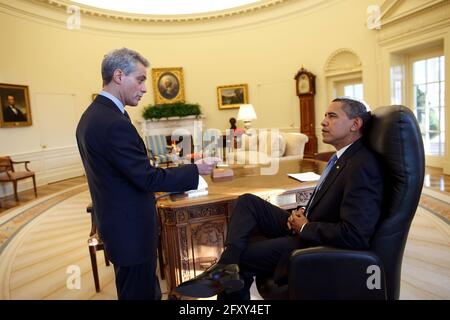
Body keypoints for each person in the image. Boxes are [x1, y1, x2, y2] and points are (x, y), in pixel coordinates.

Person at [175, 97, 383, 299]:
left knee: (243, 257)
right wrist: (302, 213)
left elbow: (356, 234)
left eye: (332, 116)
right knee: (247, 201)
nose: (323, 121)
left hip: (315, 242)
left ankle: (227, 269)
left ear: (355, 124)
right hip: (307, 224)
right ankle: (226, 265)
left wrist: (304, 227)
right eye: (325, 115)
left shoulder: (362, 166)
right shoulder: (342, 158)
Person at [76, 48, 214, 300]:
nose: (144, 88)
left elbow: (127, 171)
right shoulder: (112, 122)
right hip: (131, 232)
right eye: (140, 79)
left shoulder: (92, 116)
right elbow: (147, 178)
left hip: (118, 226)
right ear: (119, 75)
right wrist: (196, 170)